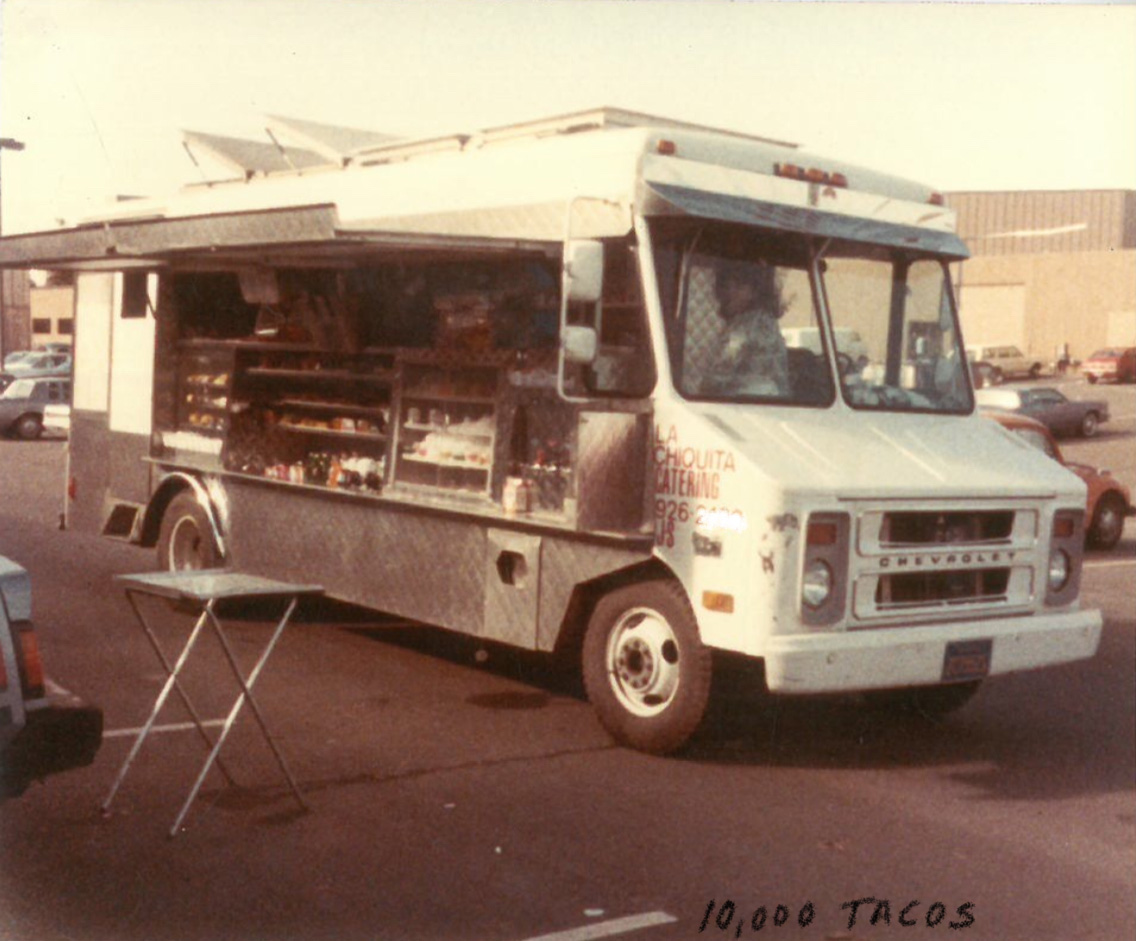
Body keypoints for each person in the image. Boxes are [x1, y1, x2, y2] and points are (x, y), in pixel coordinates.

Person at [701, 259, 789, 396]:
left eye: (739, 287)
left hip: (753, 400)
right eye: (726, 286)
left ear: (755, 292)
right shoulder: (750, 321)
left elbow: (722, 369)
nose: (730, 292)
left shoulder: (754, 324)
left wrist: (703, 387)